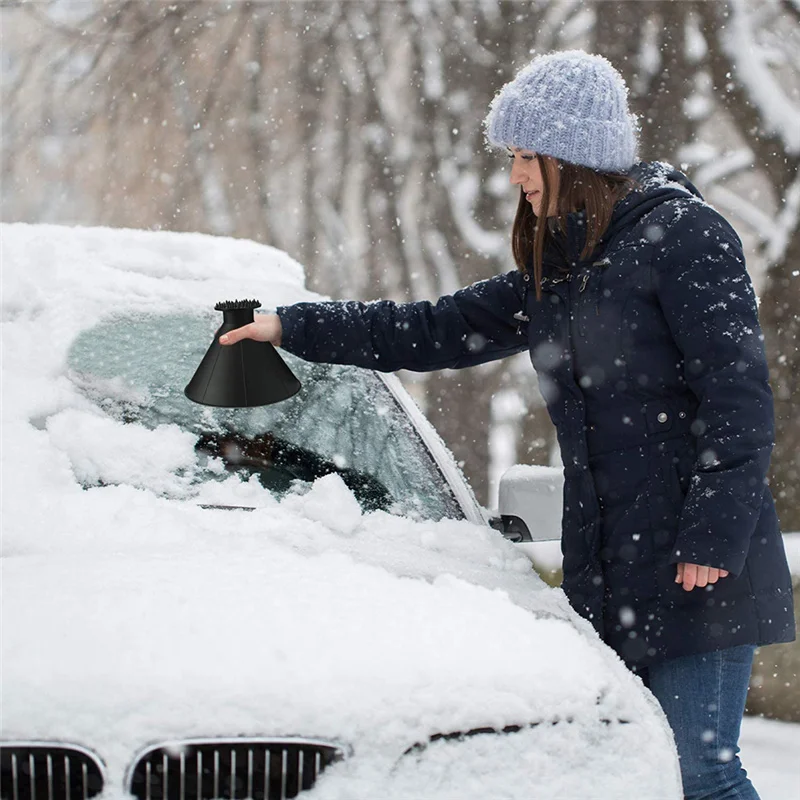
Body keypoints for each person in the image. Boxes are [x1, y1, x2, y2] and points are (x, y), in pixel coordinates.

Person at [219, 51, 795, 800]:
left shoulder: (686, 237)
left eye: (527, 156)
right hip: (613, 569)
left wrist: (711, 539)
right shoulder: (560, 266)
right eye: (513, 157)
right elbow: (426, 330)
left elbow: (739, 399)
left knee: (700, 773)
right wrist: (287, 326)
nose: (517, 175)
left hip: (699, 567)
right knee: (636, 778)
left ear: (574, 156)